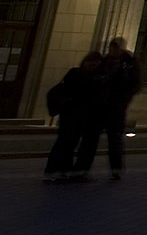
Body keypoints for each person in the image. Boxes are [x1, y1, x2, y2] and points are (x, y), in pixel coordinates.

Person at [43, 53, 107, 181]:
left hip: (84, 115)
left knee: (72, 143)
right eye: (91, 63)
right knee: (67, 142)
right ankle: (61, 170)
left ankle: (65, 170)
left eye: (95, 63)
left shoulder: (94, 77)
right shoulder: (80, 75)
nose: (92, 66)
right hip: (74, 114)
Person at [95, 36, 142, 181]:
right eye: (111, 47)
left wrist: (123, 99)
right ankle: (82, 168)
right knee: (92, 138)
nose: (112, 50)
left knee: (114, 138)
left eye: (115, 47)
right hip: (101, 104)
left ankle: (116, 169)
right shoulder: (105, 62)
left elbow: (135, 84)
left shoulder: (129, 63)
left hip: (116, 105)